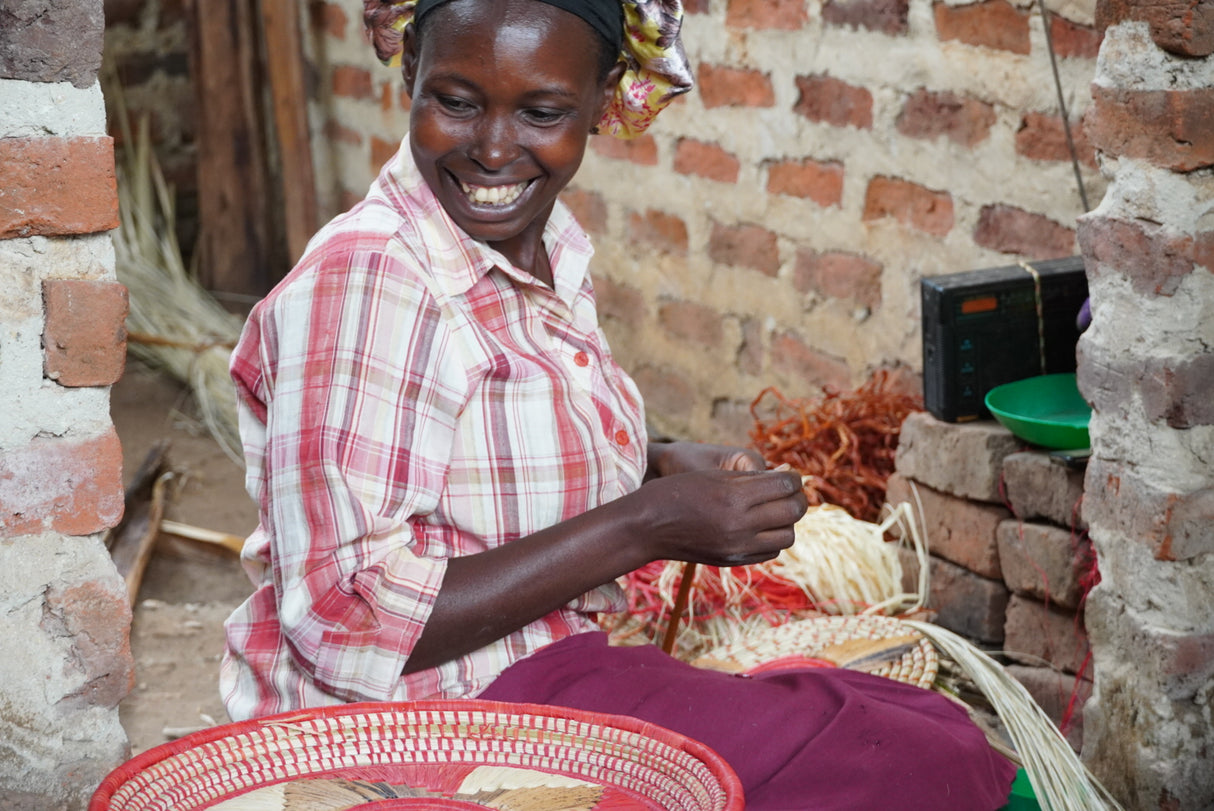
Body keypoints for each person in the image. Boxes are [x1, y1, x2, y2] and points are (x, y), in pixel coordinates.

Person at [221, 0, 1017, 807]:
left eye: (542, 112)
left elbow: (485, 458)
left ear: (605, 101)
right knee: (906, 761)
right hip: (430, 723)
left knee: (917, 718)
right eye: (456, 101)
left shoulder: (541, 248)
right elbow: (340, 616)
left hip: (545, 668)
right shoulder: (373, 278)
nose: (493, 148)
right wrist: (648, 523)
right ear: (411, 69)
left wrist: (659, 462)